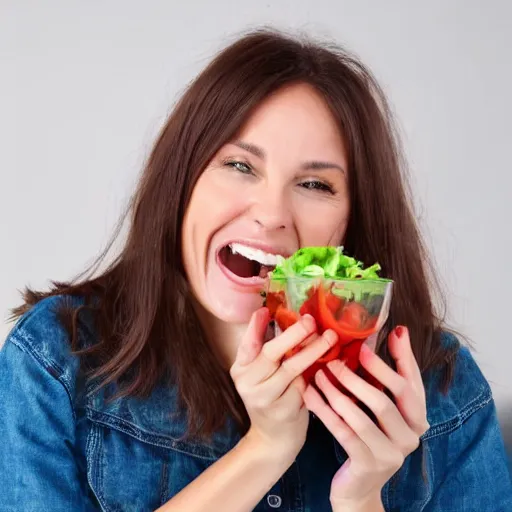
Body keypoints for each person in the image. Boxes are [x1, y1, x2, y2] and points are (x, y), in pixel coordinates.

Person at [1, 28, 510, 512]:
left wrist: (361, 499)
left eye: (315, 184)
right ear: (182, 180)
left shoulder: (443, 393)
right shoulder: (55, 363)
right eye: (240, 165)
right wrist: (264, 449)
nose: (271, 213)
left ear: (353, 221)